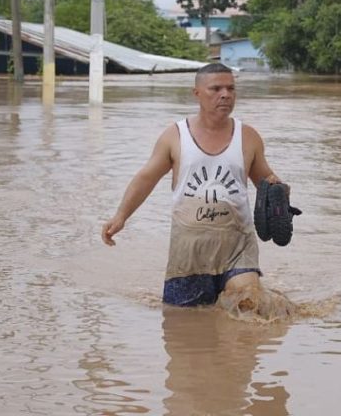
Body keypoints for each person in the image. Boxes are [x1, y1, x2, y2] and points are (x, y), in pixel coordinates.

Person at [101, 63, 284, 309]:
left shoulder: (248, 136)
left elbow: (267, 182)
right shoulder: (175, 136)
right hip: (189, 253)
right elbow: (146, 178)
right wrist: (121, 216)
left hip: (238, 245)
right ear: (196, 93)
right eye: (216, 89)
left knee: (247, 301)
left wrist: (279, 195)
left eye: (231, 88)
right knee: (184, 325)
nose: (225, 95)